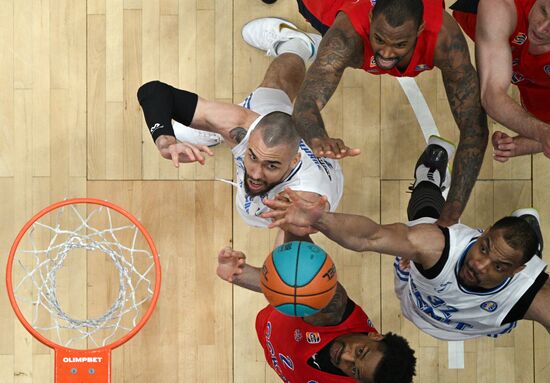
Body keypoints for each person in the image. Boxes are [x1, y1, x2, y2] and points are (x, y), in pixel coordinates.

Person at [262, 137, 550, 340]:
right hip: (416, 303)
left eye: (500, 267)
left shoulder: (530, 293)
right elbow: (371, 237)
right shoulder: (439, 247)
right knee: (423, 220)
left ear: (517, 272)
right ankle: (428, 178)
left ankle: (530, 242)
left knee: (522, 251)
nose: (481, 265)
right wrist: (320, 219)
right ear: (483, 232)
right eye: (484, 248)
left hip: (470, 326)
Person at [241, 0, 489, 226]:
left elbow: (474, 128)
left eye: (400, 44)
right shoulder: (345, 37)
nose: (387, 53)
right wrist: (317, 137)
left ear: (420, 29)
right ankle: (299, 43)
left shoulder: (445, 39)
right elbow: (306, 102)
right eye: (379, 39)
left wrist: (451, 214)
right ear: (370, 19)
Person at [137, 39, 343, 229]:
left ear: (293, 160)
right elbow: (153, 92)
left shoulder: (301, 203)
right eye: (252, 156)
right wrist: (166, 141)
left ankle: (217, 132)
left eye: (271, 165)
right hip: (263, 131)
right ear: (248, 137)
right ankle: (299, 44)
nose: (254, 173)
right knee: (272, 89)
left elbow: (290, 250)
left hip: (304, 190)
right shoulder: (243, 127)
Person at [216, 238, 417, 382]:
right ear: (375, 336)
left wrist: (236, 274)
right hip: (274, 319)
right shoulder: (333, 311)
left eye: (354, 370)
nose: (344, 357)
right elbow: (296, 269)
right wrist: (242, 273)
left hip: (272, 338)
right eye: (360, 351)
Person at [451, 0, 550, 162]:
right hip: (492, 23)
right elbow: (491, 95)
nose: (541, 28)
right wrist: (542, 132)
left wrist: (523, 145)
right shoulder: (498, 6)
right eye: (543, 11)